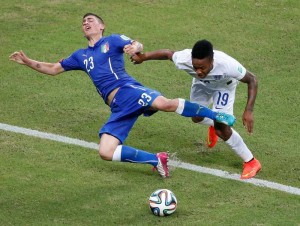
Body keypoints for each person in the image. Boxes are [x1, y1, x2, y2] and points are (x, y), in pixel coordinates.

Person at [9, 14, 236, 178]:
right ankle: (156, 160)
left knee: (165, 103)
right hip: (118, 107)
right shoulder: (80, 56)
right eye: (83, 22)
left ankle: (217, 115)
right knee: (105, 151)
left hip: (128, 90)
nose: (86, 22)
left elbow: (135, 44)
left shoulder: (113, 40)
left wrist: (134, 47)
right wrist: (28, 62)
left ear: (101, 26)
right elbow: (53, 68)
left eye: (91, 20)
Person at [130, 39, 261, 179]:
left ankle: (251, 161)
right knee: (196, 117)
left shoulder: (227, 64)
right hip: (202, 85)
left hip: (224, 87)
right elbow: (168, 54)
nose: (198, 71)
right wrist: (143, 57)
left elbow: (252, 79)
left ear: (212, 61)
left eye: (202, 67)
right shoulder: (185, 59)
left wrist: (249, 110)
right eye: (195, 67)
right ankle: (213, 122)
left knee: (221, 128)